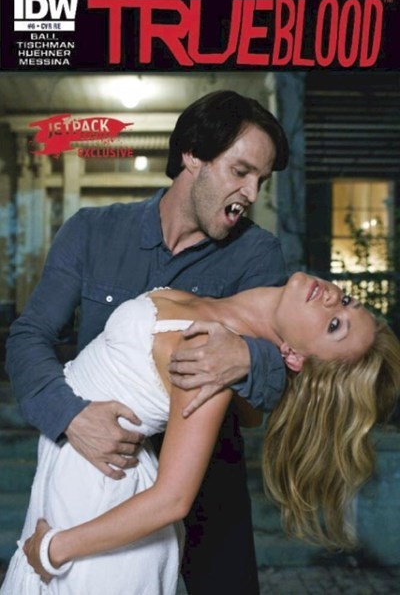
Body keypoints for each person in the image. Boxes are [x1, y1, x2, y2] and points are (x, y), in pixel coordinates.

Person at [6, 90, 290, 594]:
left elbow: (279, 369)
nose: (250, 192)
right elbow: (30, 336)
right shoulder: (92, 231)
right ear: (193, 156)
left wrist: (247, 355)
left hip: (207, 486)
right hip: (99, 471)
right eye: (240, 171)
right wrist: (71, 416)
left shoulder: (258, 254)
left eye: (261, 180)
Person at [2, 273, 400, 595]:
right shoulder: (223, 329)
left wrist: (56, 549)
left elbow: (174, 499)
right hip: (74, 488)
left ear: (295, 357)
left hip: (96, 514)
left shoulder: (210, 357)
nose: (334, 299)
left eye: (334, 326)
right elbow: (249, 416)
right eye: (348, 302)